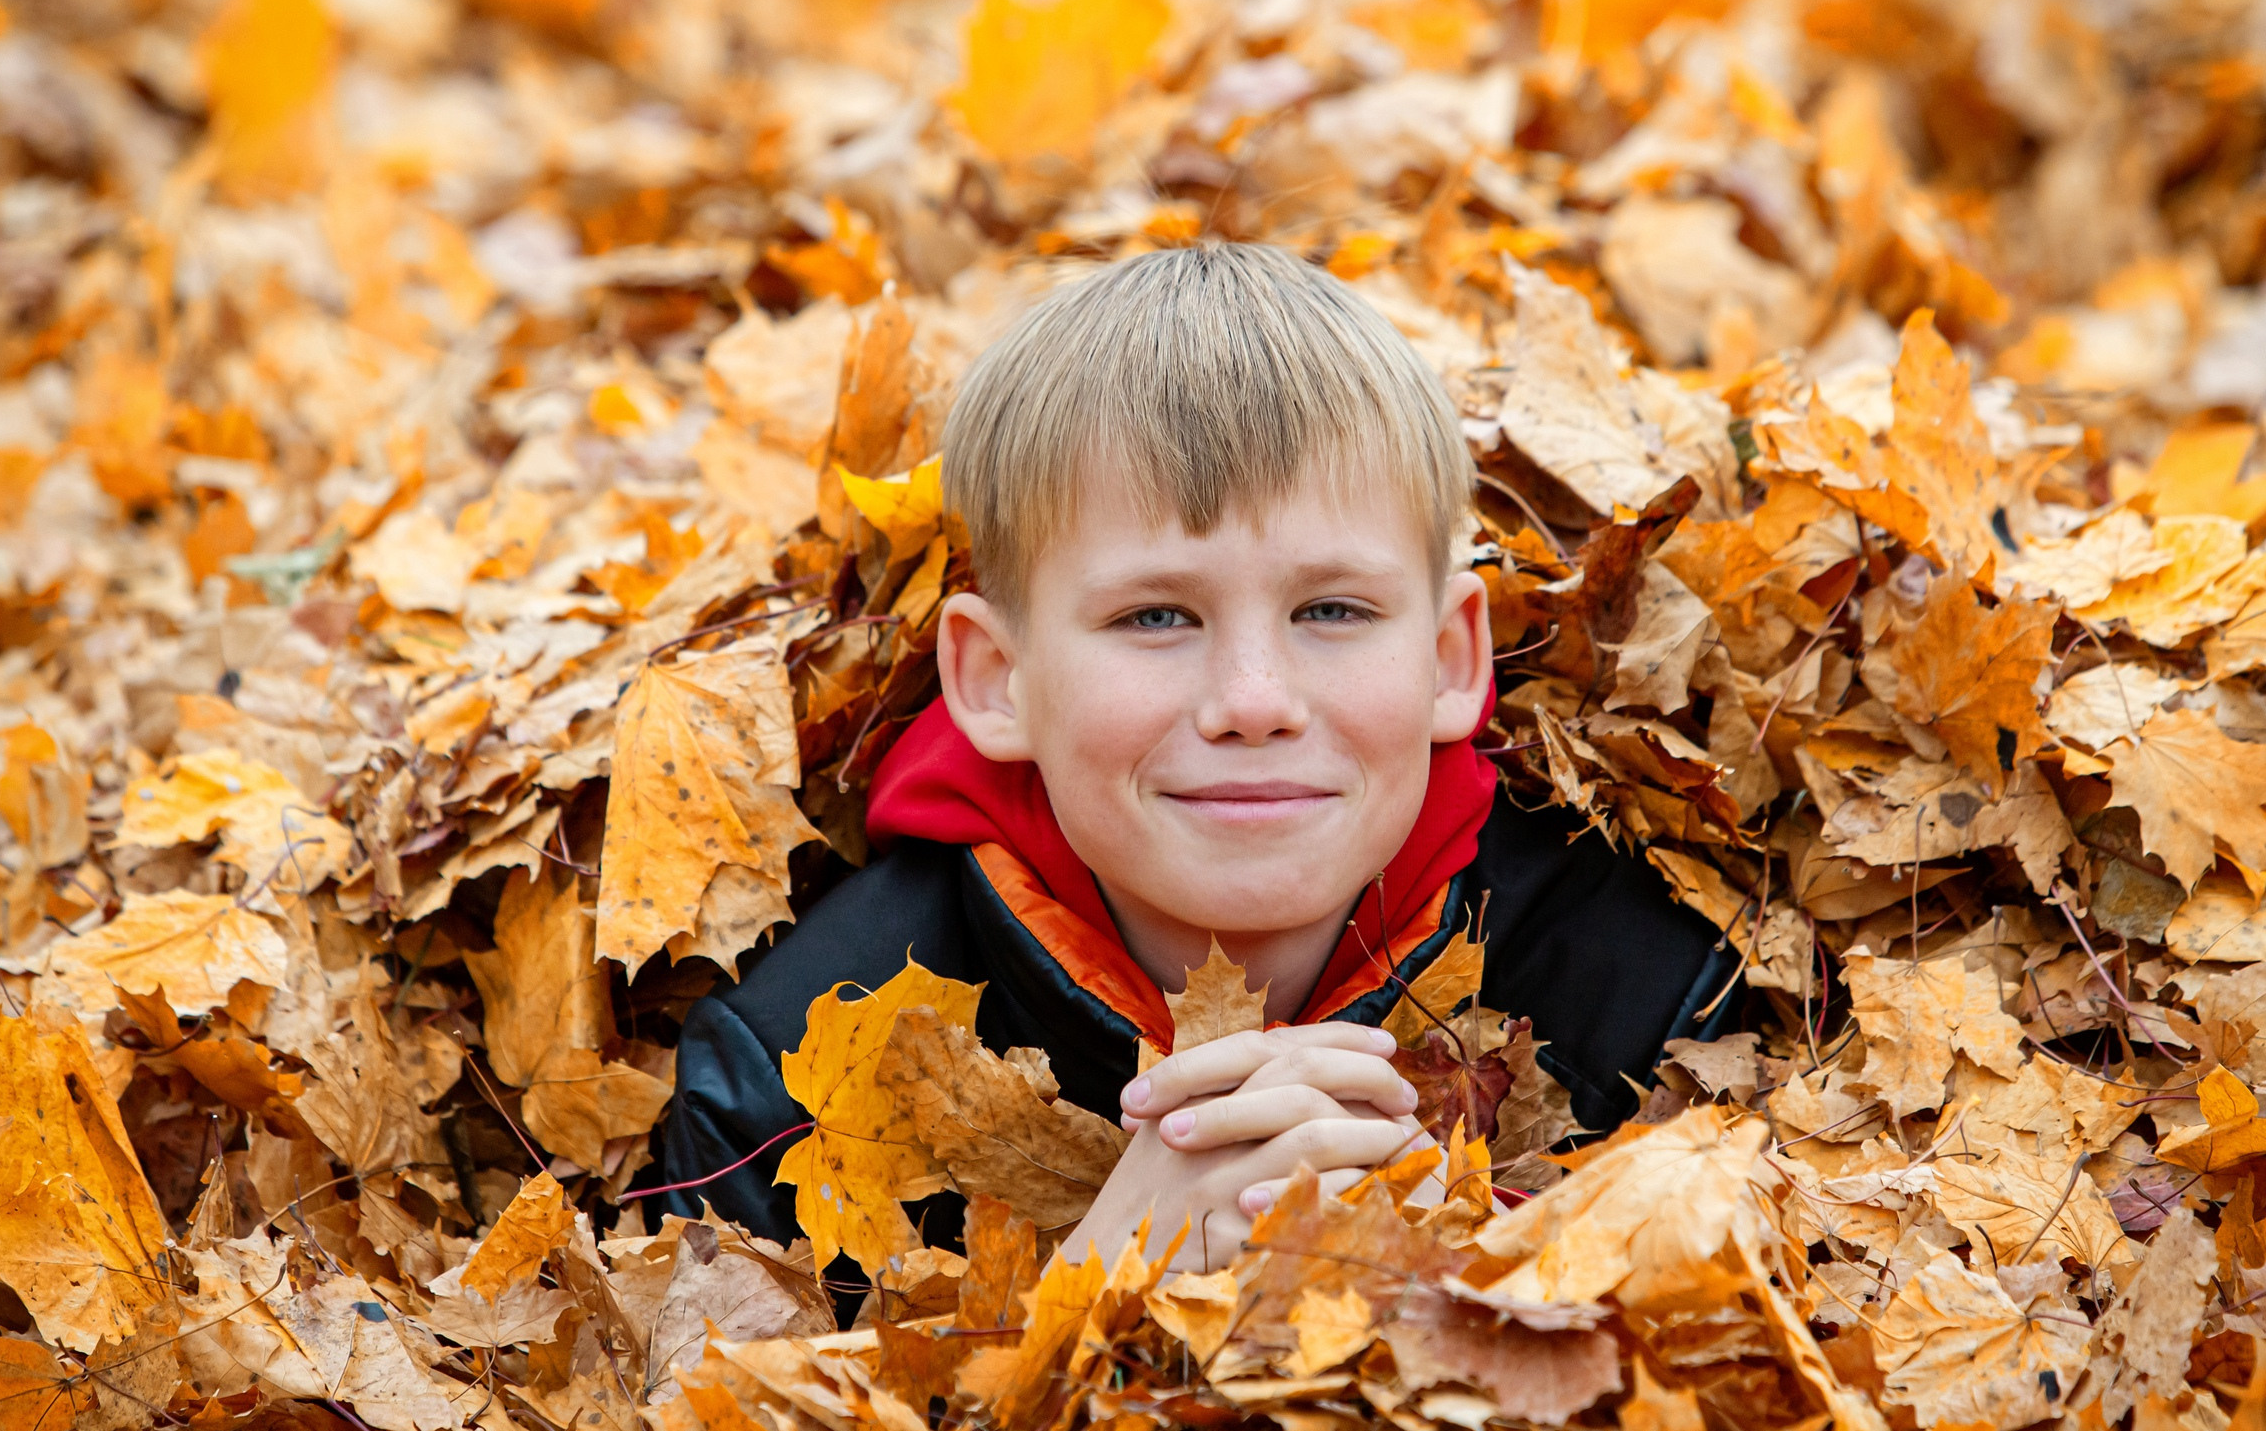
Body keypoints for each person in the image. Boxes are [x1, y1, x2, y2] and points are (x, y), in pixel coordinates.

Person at [657, 243, 1733, 1272]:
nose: (1252, 704)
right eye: (1156, 618)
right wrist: (1084, 1296)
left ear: (1453, 659)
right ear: (995, 679)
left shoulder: (1647, 1001)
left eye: (1332, 609)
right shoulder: (796, 1079)